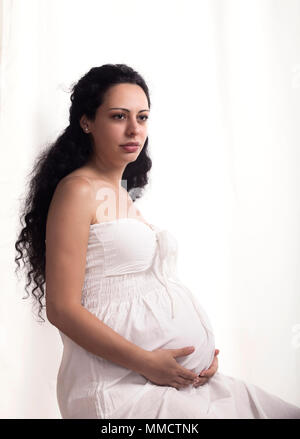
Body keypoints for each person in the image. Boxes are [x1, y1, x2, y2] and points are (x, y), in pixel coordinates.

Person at [15, 64, 300, 419]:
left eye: (143, 117)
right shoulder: (78, 190)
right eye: (119, 116)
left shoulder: (121, 196)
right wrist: (149, 362)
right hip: (116, 388)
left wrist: (197, 357)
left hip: (165, 381)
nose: (135, 129)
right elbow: (62, 309)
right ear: (86, 121)